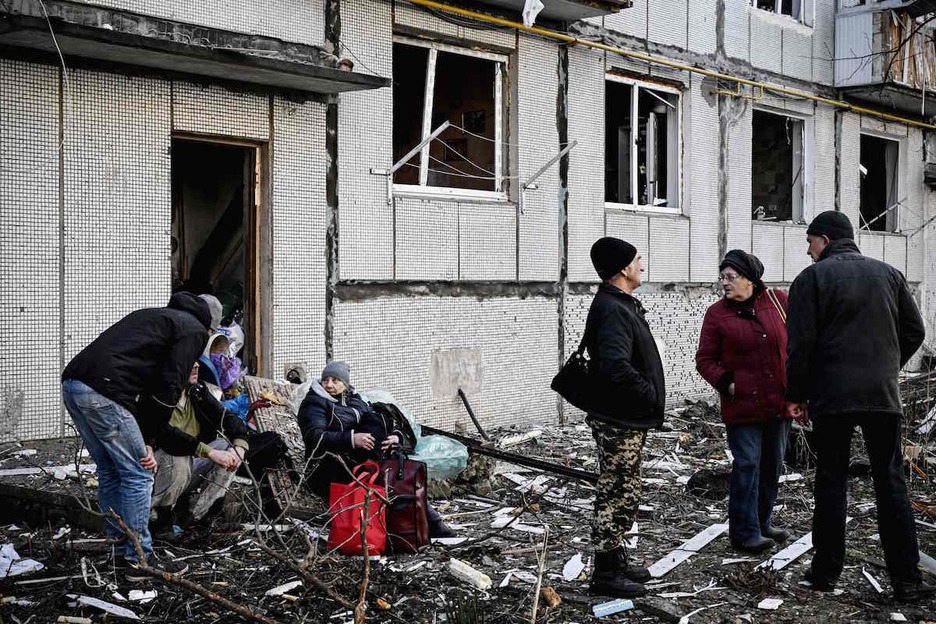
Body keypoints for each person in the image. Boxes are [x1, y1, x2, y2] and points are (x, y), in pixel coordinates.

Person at [786, 211, 933, 602]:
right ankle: (906, 579)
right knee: (891, 481)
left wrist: (797, 394)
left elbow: (800, 345)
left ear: (826, 240)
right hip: (882, 397)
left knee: (831, 481)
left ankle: (825, 574)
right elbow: (915, 330)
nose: (808, 249)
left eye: (811, 241)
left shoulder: (811, 279)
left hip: (832, 399)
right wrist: (886, 367)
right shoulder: (888, 274)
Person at [61, 292, 209, 572]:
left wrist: (145, 435)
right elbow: (168, 387)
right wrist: (149, 440)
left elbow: (147, 384)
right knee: (139, 473)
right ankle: (139, 558)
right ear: (208, 326)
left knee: (111, 470)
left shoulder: (157, 318)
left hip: (74, 384)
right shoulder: (193, 330)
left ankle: (118, 551)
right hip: (105, 390)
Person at [583, 237, 665, 598]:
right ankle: (605, 574)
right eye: (637, 260)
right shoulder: (614, 309)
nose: (642, 265)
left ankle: (615, 561)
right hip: (618, 420)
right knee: (617, 492)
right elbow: (615, 367)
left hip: (624, 418)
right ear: (622, 269)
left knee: (624, 489)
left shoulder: (619, 303)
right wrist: (648, 393)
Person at [696, 250, 792, 554]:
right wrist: (728, 383)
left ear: (750, 279)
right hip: (743, 405)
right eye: (722, 276)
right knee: (748, 464)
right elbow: (705, 360)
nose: (724, 282)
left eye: (730, 277)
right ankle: (743, 532)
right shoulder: (717, 314)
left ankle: (763, 522)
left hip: (778, 402)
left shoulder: (778, 301)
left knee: (771, 465)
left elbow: (796, 343)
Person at [297, 361, 455, 538]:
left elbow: (383, 422)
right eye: (326, 380)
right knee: (387, 477)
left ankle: (425, 525)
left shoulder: (355, 401)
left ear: (345, 384)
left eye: (335, 380)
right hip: (326, 466)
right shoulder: (314, 403)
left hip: (354, 460)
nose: (329, 385)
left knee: (394, 467)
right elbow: (314, 436)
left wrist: (396, 437)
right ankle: (423, 526)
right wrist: (351, 439)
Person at [150, 362, 250, 535]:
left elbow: (229, 419)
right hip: (158, 472)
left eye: (196, 359)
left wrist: (239, 448)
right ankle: (160, 520)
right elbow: (167, 436)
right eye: (189, 359)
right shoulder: (158, 396)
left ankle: (197, 516)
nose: (195, 365)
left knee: (229, 450)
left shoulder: (197, 392)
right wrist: (209, 452)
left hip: (188, 465)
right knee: (178, 454)